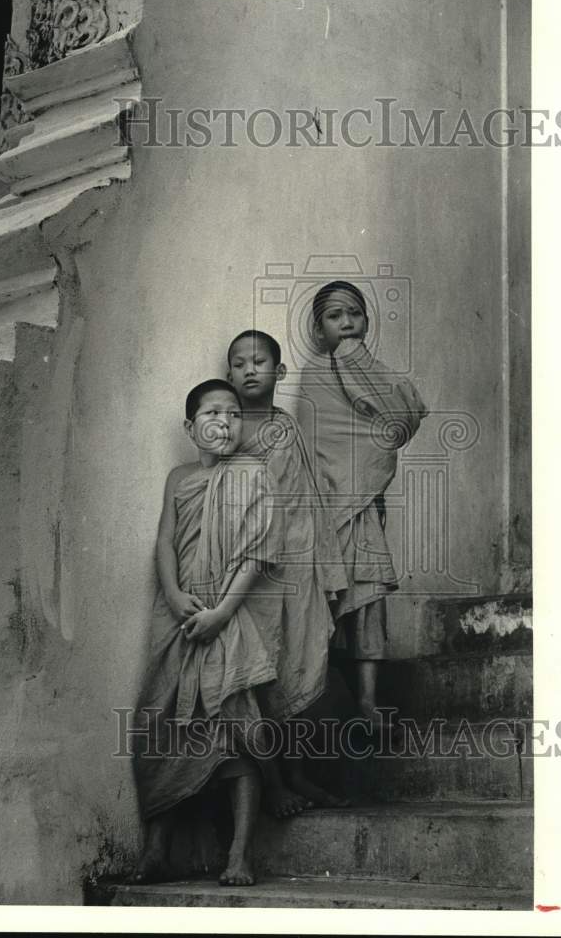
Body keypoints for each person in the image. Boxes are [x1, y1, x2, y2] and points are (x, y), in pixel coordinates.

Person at [132, 379, 283, 887]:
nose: (225, 422)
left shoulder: (255, 474)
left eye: (234, 414)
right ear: (190, 426)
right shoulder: (179, 477)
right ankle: (156, 849)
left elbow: (257, 553)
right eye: (213, 413)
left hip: (227, 614)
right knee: (162, 724)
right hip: (179, 615)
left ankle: (239, 854)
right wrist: (174, 596)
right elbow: (165, 541)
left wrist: (221, 613)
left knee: (238, 732)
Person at [226, 329, 352, 809]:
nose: (249, 369)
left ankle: (296, 775)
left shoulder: (288, 428)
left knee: (295, 673)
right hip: (250, 573)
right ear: (229, 374)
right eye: (238, 363)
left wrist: (326, 570)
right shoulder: (231, 428)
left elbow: (310, 503)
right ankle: (273, 783)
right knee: (258, 675)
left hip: (297, 568)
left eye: (258, 361)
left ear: (279, 372)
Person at [295, 281, 427, 724]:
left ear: (367, 321)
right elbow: (313, 444)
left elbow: (398, 418)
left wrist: (358, 363)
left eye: (355, 313)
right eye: (335, 316)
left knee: (368, 597)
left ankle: (368, 701)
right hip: (326, 508)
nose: (347, 322)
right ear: (318, 330)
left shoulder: (374, 367)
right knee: (327, 602)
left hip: (364, 505)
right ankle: (323, 702)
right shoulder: (315, 374)